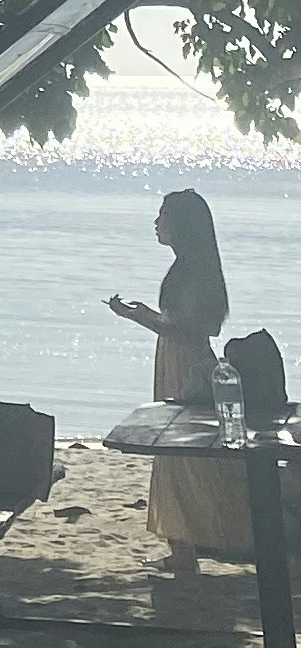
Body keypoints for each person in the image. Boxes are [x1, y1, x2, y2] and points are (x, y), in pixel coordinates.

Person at [109, 189, 232, 571]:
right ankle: (183, 550)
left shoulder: (194, 269)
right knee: (176, 455)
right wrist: (144, 315)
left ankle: (185, 552)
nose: (157, 222)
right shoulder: (194, 266)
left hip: (185, 363)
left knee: (177, 453)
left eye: (163, 215)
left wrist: (139, 317)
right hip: (177, 359)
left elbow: (192, 328)